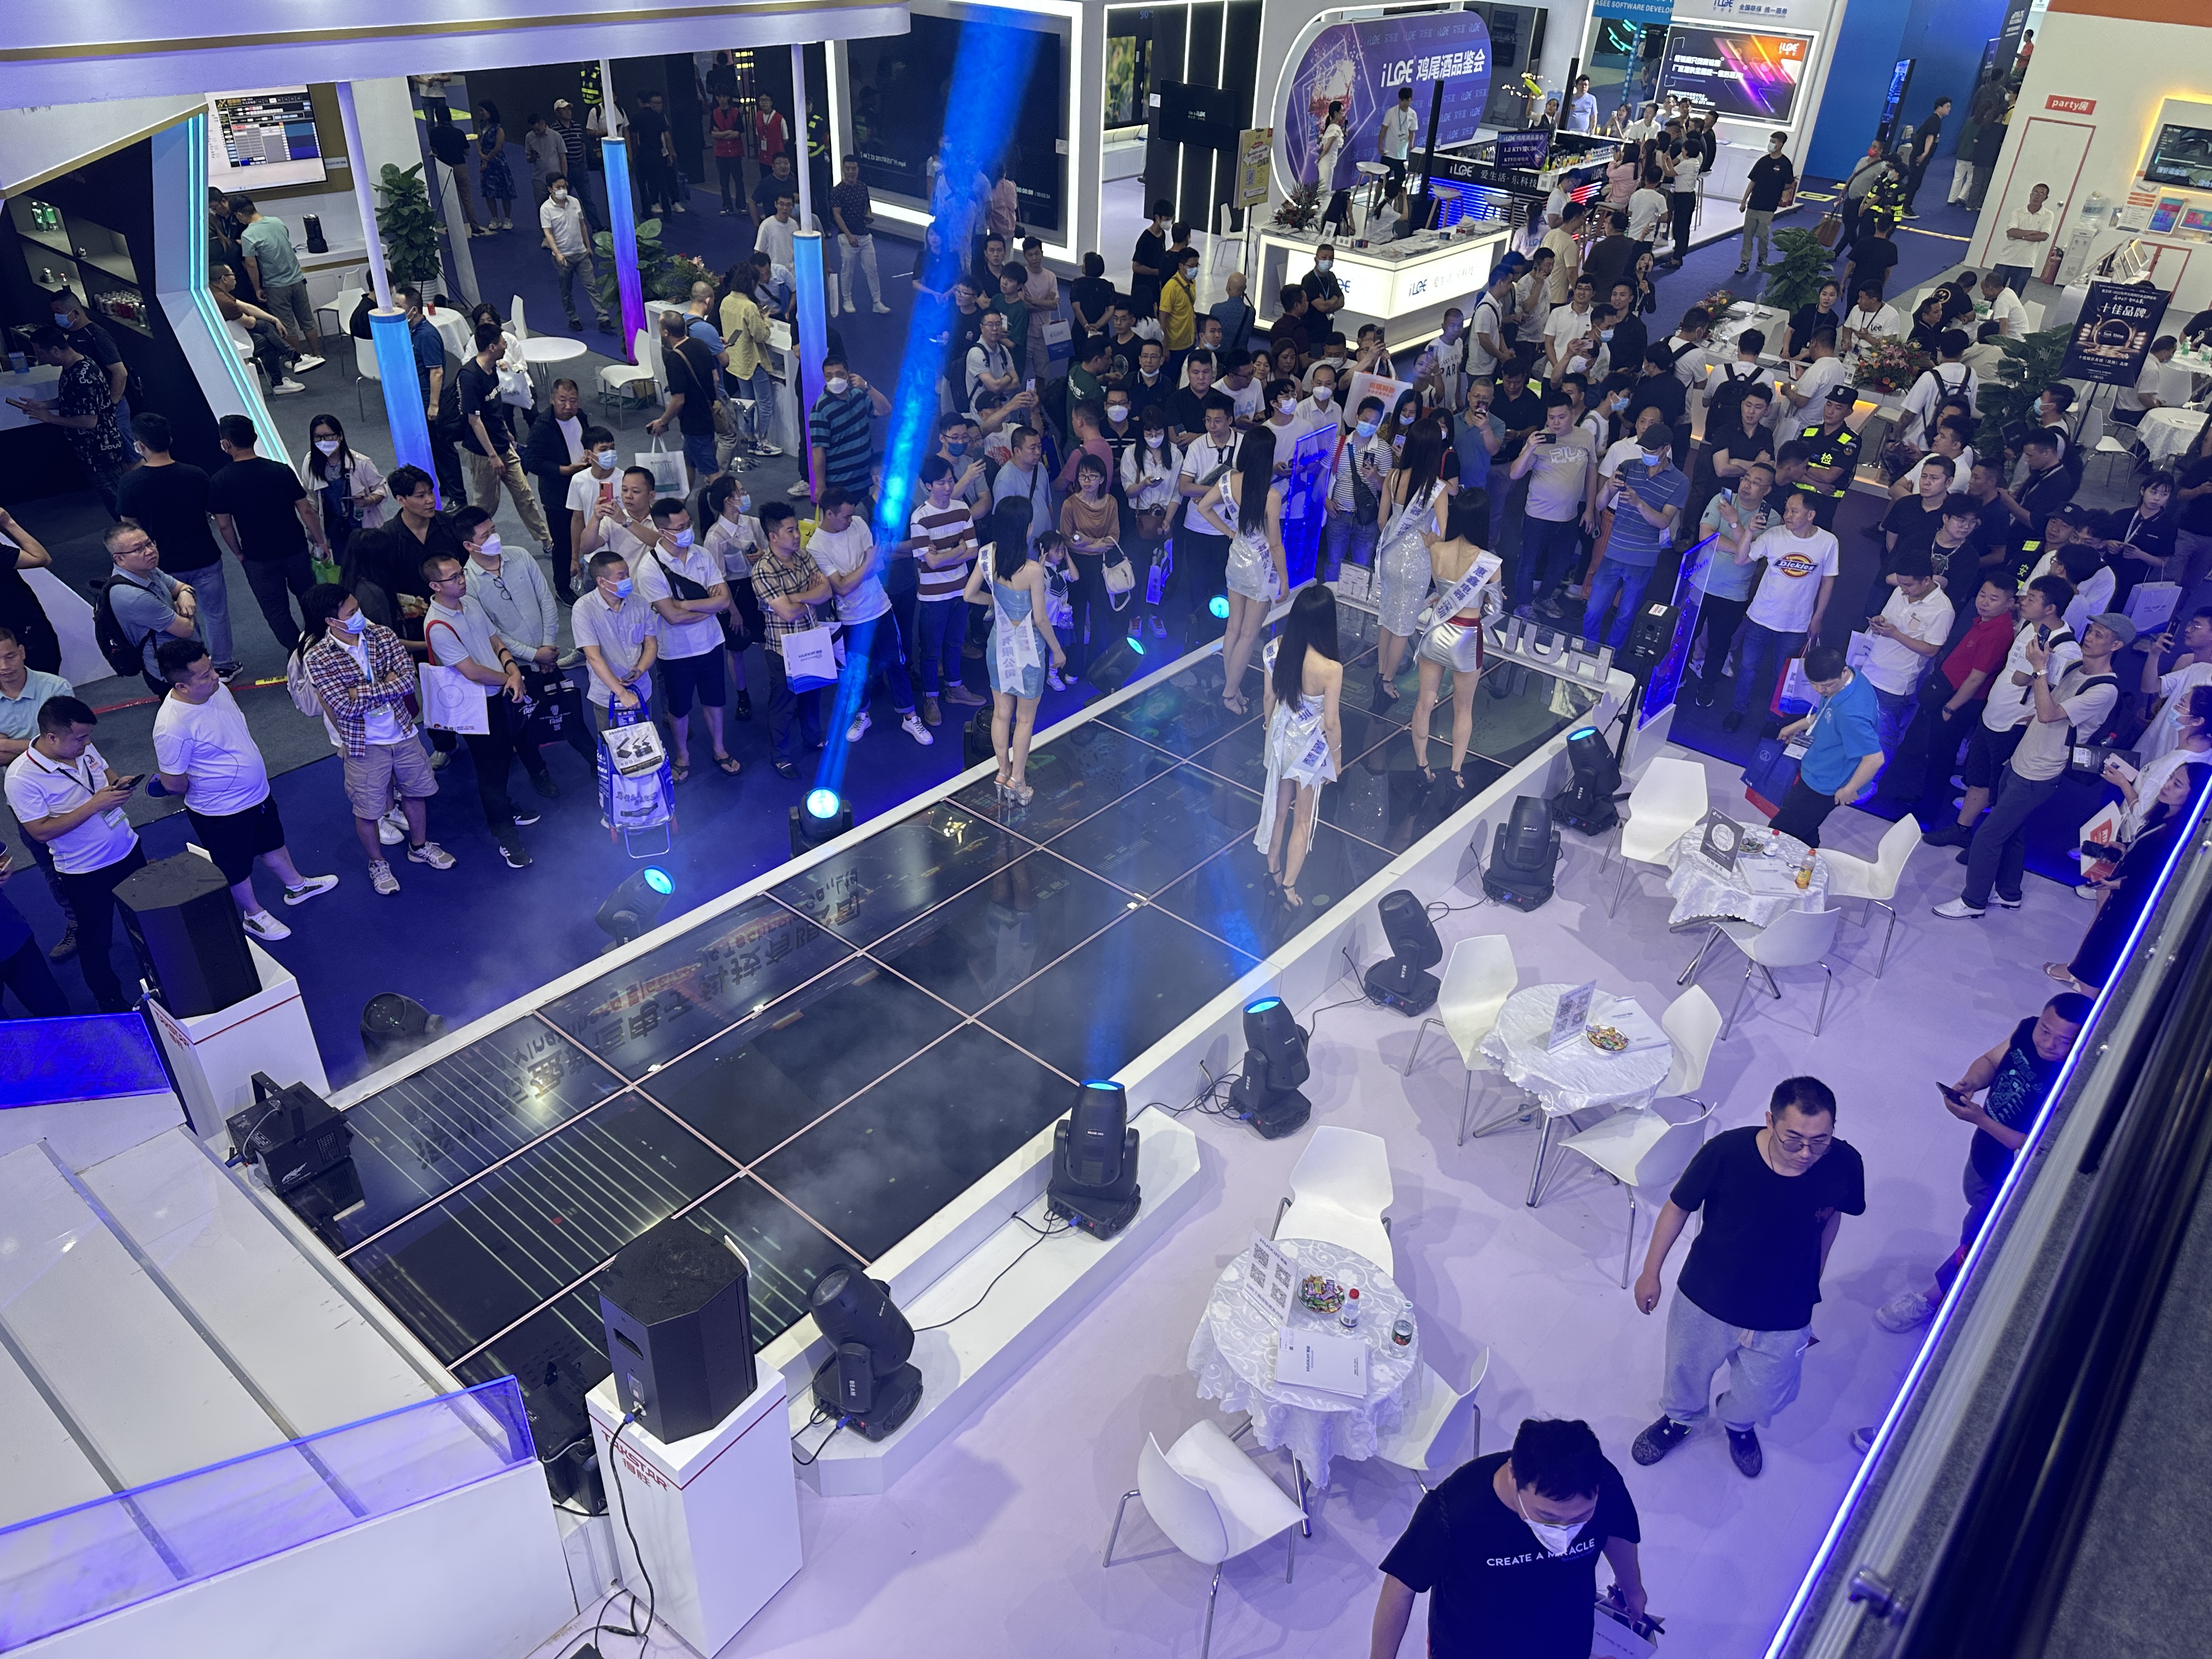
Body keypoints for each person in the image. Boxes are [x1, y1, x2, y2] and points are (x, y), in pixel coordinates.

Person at [1632, 1076, 1865, 1479]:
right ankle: (1680, 1419)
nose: (1806, 1153)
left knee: (1766, 1393)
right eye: (1793, 1140)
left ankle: (1739, 1422)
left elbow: (1832, 1216)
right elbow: (1678, 1207)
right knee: (1686, 1371)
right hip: (1707, 1294)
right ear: (1770, 1122)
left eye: (1820, 1141)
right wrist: (1650, 1273)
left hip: (1786, 1308)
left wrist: (1814, 1279)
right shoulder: (1727, 1152)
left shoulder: (1844, 1162)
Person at [1871, 996, 2092, 1346]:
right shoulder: (2026, 1031)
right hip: (1984, 1156)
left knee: (1977, 1239)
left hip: (2015, 1178)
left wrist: (1980, 1119)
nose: (2049, 1043)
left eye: (2063, 1040)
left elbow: (2036, 1146)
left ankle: (1933, 1299)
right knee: (1975, 1213)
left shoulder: (2074, 1078)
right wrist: (1971, 1082)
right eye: (2045, 1030)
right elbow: (1991, 1060)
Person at [1371, 1414, 1645, 1659]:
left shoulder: (1604, 1482)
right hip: (1471, 1647)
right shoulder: (1454, 1510)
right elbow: (1400, 1587)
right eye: (1547, 1516)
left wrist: (1632, 1589)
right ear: (1514, 1476)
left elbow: (1617, 1532)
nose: (1565, 1531)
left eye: (1581, 1517)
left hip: (1566, 1639)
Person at [1936, 612, 2129, 918]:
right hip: (2021, 759)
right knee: (2013, 831)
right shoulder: (2075, 667)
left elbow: (2049, 714)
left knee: (1988, 836)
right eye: (2091, 630)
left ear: (2116, 646)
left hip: (2040, 772)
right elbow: (2027, 687)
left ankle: (1973, 901)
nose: (2090, 638)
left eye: (2100, 635)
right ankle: (2009, 894)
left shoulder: (2105, 689)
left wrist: (2040, 670)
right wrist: (2036, 669)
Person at [151, 638, 336, 941]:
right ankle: (253, 915)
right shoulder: (172, 727)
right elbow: (173, 784)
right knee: (235, 866)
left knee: (272, 843)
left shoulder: (217, 690)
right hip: (220, 812)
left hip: (257, 795)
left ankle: (297, 886)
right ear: (181, 686)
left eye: (212, 668)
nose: (215, 676)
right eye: (205, 675)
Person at [295, 585, 452, 894]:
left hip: (403, 732)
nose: (360, 616)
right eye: (352, 613)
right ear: (331, 621)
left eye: (357, 608)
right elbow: (343, 707)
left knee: (415, 793)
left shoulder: (382, 635)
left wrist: (360, 692)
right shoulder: (318, 658)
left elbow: (407, 682)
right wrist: (385, 686)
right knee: (367, 811)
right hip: (362, 744)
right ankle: (377, 862)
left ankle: (419, 846)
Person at [5, 697, 150, 1011]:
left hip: (128, 849)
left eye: (88, 736)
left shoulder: (83, 747)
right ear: (52, 737)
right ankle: (109, 1000)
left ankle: (162, 978)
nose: (87, 744)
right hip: (85, 871)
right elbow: (40, 831)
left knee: (149, 921)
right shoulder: (21, 778)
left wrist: (118, 785)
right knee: (96, 940)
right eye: (80, 738)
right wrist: (95, 805)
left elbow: (106, 773)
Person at [422, 552, 548, 869]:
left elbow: (495, 640)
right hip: (478, 706)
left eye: (461, 573)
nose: (461, 580)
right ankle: (506, 838)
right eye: (453, 578)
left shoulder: (469, 602)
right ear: (436, 586)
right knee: (490, 771)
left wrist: (513, 670)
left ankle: (505, 809)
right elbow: (472, 672)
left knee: (504, 757)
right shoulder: (437, 626)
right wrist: (511, 678)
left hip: (502, 693)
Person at [2050, 759, 2211, 994]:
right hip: (2121, 902)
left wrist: (2120, 884)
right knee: (2096, 955)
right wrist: (2125, 849)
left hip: (2132, 910)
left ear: (2194, 796)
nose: (2167, 785)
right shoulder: (2164, 817)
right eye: (2170, 778)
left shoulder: (2180, 836)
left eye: (2177, 785)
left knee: (2102, 965)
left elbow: (2164, 880)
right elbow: (2147, 858)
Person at [1887, 572, 2018, 819]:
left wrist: (1950, 708)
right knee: (1935, 754)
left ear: (2010, 603)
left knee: (1941, 758)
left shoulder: (1998, 633)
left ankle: (1926, 813)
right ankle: (1923, 803)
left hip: (1959, 702)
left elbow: (1977, 678)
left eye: (1994, 599)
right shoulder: (1983, 621)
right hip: (1948, 693)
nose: (1984, 602)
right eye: (1982, 595)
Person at [117, 414, 235, 680]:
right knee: (216, 614)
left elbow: (129, 527)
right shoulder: (195, 474)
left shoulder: (130, 483)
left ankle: (194, 668)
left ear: (140, 445)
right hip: (204, 556)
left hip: (163, 566)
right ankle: (224, 665)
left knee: (181, 620)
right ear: (169, 440)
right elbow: (214, 511)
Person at [962, 499, 1064, 803]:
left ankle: (1003, 772)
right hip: (1028, 647)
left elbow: (969, 595)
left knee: (1001, 713)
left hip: (1000, 643)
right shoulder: (1033, 570)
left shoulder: (988, 556)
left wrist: (995, 602)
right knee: (1025, 719)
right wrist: (1058, 651)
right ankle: (1018, 782)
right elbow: (1041, 619)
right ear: (1028, 528)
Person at [207, 413, 325, 654]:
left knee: (275, 609)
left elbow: (225, 526)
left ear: (226, 444)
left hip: (257, 556)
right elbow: (306, 509)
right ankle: (320, 641)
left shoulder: (220, 481)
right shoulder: (280, 471)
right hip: (295, 549)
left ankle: (297, 650)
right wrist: (320, 541)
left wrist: (239, 553)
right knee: (309, 597)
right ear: (255, 437)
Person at [1724, 488, 1839, 730]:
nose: (1787, 515)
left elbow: (1828, 581)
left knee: (1784, 674)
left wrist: (1818, 617)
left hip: (1797, 623)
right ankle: (1737, 710)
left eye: (1794, 511)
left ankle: (1774, 719)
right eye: (1787, 510)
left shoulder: (1828, 542)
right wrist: (1750, 532)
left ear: (1811, 515)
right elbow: (1741, 559)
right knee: (1748, 667)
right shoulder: (1774, 535)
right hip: (1761, 616)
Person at [1407, 489, 1491, 793]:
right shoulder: (1489, 562)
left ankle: (1421, 766)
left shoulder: (1438, 551)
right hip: (1467, 637)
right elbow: (1496, 608)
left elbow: (1441, 590)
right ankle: (1455, 773)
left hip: (1438, 631)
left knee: (1424, 702)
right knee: (1463, 708)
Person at [1767, 644, 1885, 847]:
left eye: (1827, 686)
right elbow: (1827, 714)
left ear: (1844, 672)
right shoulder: (1853, 679)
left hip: (1825, 782)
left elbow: (1875, 758)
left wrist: (1850, 790)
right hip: (1819, 767)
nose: (1821, 691)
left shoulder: (1851, 714)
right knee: (1805, 827)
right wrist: (1798, 725)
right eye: (1815, 685)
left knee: (1780, 831)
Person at [454, 323, 555, 554]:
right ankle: (467, 546)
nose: (505, 345)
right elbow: (475, 420)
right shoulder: (470, 376)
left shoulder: (493, 371)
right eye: (502, 342)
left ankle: (546, 540)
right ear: (492, 347)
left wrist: (505, 431)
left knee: (525, 495)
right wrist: (492, 456)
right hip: (483, 454)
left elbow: (494, 409)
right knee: (485, 505)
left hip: (503, 446)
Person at [9, 327, 129, 518]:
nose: (39, 359)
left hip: (99, 450)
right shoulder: (75, 367)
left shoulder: (83, 377)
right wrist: (44, 405)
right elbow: (73, 400)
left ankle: (134, 532)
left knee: (117, 501)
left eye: (41, 353)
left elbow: (89, 421)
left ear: (55, 350)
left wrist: (50, 418)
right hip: (90, 450)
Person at [1584, 426, 1686, 651]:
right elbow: (1600, 504)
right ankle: (1588, 649)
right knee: (1594, 608)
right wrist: (1608, 487)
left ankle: (1611, 655)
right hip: (1613, 552)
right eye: (1644, 449)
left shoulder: (1679, 481)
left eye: (1652, 450)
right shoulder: (1628, 467)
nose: (1646, 454)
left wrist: (1639, 503)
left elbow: (1663, 521)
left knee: (1626, 614)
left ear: (1666, 449)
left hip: (1643, 560)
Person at [1207, 425, 1286, 714]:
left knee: (1233, 628)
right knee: (1249, 634)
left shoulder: (1229, 481)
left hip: (1237, 557)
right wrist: (1285, 580)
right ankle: (1230, 694)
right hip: (1261, 566)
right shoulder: (1271, 495)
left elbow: (1203, 507)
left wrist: (1230, 532)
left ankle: (1233, 688)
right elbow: (1275, 544)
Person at [1689, 461, 1776, 706]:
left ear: (1767, 490)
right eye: (1746, 478)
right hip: (1700, 582)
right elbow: (1706, 537)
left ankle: (1707, 685)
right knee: (1686, 635)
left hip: (1733, 593)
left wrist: (1734, 523)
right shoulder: (1723, 499)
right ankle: (1675, 677)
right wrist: (1742, 546)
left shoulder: (1771, 517)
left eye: (1756, 483)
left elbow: (1753, 554)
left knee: (1720, 644)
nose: (1747, 485)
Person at [1374, 424, 1449, 701]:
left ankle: (1380, 672)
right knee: (1403, 627)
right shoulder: (1438, 488)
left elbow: (1382, 521)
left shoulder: (1393, 477)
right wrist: (1429, 542)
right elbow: (1442, 534)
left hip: (1390, 556)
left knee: (1387, 618)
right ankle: (1387, 682)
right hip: (1416, 561)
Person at [570, 547, 661, 738]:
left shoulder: (639, 603)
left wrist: (641, 670)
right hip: (608, 695)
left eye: (627, 574)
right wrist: (622, 693)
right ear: (602, 582)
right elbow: (593, 657)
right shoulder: (584, 609)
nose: (628, 579)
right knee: (614, 746)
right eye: (621, 577)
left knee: (646, 744)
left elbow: (651, 644)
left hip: (641, 689)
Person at [230, 198, 319, 363]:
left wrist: (257, 288)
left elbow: (251, 264)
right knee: (307, 321)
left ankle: (298, 360)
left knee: (287, 326)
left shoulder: (248, 235)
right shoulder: (277, 222)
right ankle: (317, 354)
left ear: (240, 214)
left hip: (276, 286)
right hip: (298, 279)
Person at [806, 353, 890, 505]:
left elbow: (885, 410)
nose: (834, 379)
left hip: (863, 479)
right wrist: (821, 486)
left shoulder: (858, 395)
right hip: (840, 483)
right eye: (829, 376)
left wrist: (867, 387)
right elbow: (818, 451)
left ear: (848, 375)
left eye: (839, 374)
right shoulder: (820, 410)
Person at [2138, 607, 2212, 765]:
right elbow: (2150, 687)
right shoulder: (2194, 667)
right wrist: (2154, 654)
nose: (2188, 629)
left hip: (2176, 761)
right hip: (2149, 747)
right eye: (2190, 624)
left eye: (2196, 626)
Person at [539, 174, 610, 333]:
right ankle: (573, 318)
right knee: (566, 290)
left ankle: (603, 318)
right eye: (558, 187)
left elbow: (582, 225)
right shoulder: (545, 209)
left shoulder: (575, 202)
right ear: (550, 189)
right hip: (563, 257)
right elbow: (548, 233)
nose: (562, 190)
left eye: (564, 186)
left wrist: (588, 246)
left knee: (592, 286)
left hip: (581, 253)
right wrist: (557, 253)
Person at [828, 155, 891, 317]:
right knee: (848, 270)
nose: (851, 172)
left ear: (858, 169)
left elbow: (867, 206)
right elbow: (837, 215)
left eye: (854, 168)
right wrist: (849, 236)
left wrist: (869, 215)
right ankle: (847, 300)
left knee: (872, 270)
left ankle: (877, 302)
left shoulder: (863, 187)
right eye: (848, 168)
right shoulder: (837, 191)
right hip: (846, 237)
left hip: (865, 235)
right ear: (843, 169)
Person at [1991, 182, 2056, 292]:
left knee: (2014, 295)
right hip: (2006, 259)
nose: (2037, 196)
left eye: (2042, 194)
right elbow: (2011, 232)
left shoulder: (2048, 215)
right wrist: (2033, 233)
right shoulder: (2017, 212)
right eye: (2035, 192)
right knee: (1992, 291)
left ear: (2046, 198)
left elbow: (2044, 236)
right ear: (2030, 194)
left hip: (2026, 263)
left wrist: (2022, 235)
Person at [1380, 85, 1419, 195]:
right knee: (1381, 182)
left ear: (1411, 99)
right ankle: (1376, 203)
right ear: (1399, 100)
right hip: (1388, 154)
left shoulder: (1413, 114)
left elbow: (1412, 132)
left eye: (1407, 100)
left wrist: (1411, 144)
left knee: (1399, 185)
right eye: (1403, 101)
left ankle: (1395, 204)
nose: (1405, 103)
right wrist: (1380, 146)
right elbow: (1383, 130)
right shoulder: (1391, 112)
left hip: (1401, 156)